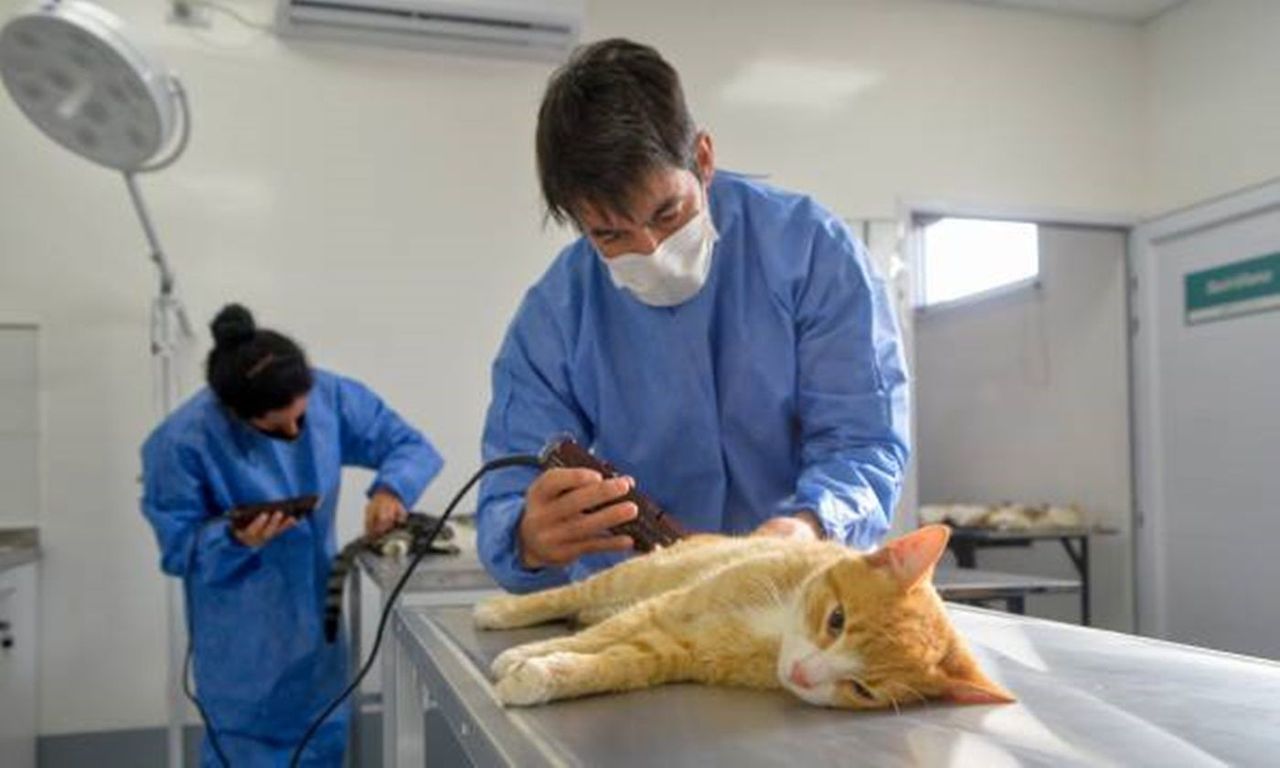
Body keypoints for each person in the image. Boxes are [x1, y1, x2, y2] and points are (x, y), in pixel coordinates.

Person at [476, 38, 911, 593]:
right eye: (610, 233)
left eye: (667, 212)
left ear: (703, 158)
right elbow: (507, 496)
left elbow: (863, 443)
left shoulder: (811, 253)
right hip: (638, 605)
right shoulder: (555, 315)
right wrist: (528, 537)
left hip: (794, 588)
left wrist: (811, 526)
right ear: (578, 222)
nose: (652, 250)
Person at [140, 304, 443, 766]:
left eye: (301, 417)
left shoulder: (330, 396)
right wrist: (235, 540)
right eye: (276, 427)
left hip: (316, 632)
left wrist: (390, 490)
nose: (296, 431)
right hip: (242, 648)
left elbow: (409, 445)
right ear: (235, 415)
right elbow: (179, 549)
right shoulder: (181, 442)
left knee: (325, 741)